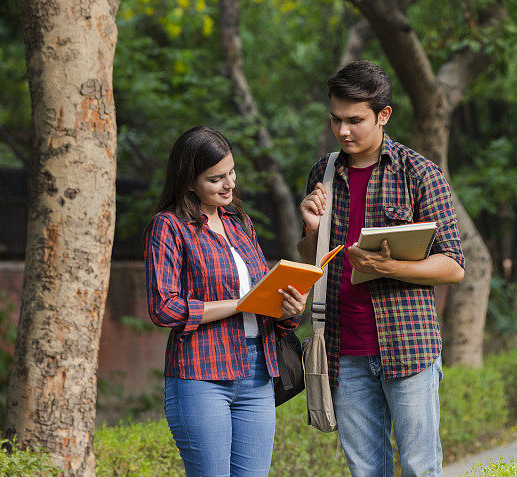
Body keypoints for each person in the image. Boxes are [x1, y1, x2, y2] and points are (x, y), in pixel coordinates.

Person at [298, 61, 465, 477]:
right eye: (336, 119)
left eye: (355, 120)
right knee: (366, 471)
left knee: (419, 467)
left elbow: (454, 266)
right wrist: (311, 231)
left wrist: (390, 266)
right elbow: (311, 260)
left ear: (383, 115)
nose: (344, 130)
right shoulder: (324, 172)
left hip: (408, 346)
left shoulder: (419, 174)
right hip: (344, 350)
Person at [145, 126, 306, 477]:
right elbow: (164, 307)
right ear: (189, 182)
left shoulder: (240, 223)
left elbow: (262, 296)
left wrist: (289, 309)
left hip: (258, 372)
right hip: (201, 375)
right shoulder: (169, 227)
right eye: (216, 178)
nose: (230, 184)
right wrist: (238, 304)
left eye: (231, 172)